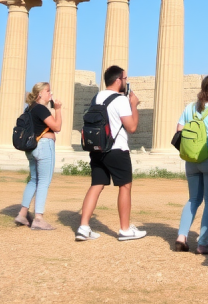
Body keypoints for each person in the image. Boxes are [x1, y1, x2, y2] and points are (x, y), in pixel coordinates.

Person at [75, 65, 144, 241]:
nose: (126, 81)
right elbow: (132, 127)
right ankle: (125, 229)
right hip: (117, 149)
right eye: (125, 78)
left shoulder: (96, 97)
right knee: (125, 186)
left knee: (96, 185)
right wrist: (133, 106)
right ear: (118, 80)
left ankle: (83, 227)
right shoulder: (121, 100)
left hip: (97, 148)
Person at [174, 74, 208, 253]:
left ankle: (182, 236)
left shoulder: (189, 108)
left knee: (193, 199)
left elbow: (179, 132)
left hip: (191, 159)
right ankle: (203, 243)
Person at [14, 81, 63, 230]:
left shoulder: (29, 109)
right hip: (44, 146)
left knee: (34, 180)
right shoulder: (41, 109)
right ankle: (38, 219)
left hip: (32, 148)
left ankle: (22, 214)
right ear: (40, 93)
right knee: (43, 182)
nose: (51, 94)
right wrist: (58, 109)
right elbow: (57, 127)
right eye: (48, 91)